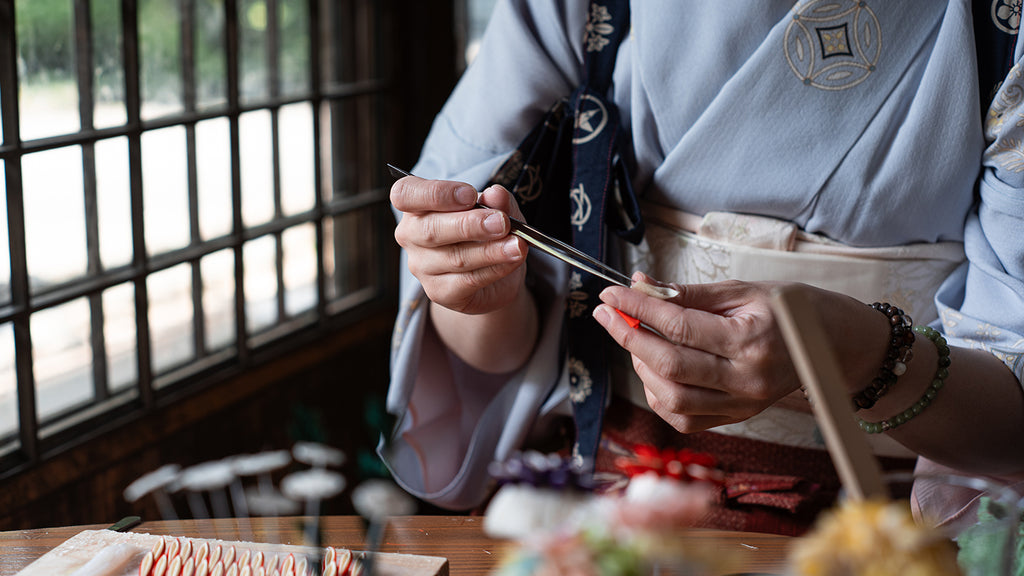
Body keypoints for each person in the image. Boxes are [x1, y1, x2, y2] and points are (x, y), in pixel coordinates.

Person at [381, 0, 1024, 535]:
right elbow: (481, 342)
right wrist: (475, 285)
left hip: (890, 527)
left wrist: (856, 354)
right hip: (618, 506)